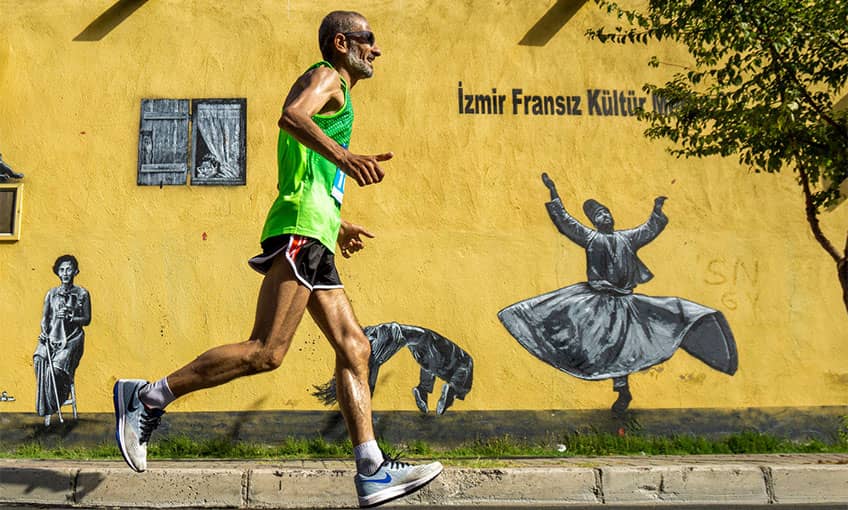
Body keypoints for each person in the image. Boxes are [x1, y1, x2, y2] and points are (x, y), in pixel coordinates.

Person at [112, 11, 442, 508]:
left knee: (355, 347)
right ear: (342, 42)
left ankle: (372, 470)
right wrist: (346, 159)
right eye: (369, 39)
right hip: (302, 232)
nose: (376, 49)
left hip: (317, 230)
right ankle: (147, 398)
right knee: (266, 352)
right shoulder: (327, 77)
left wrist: (338, 223)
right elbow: (291, 116)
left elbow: (306, 172)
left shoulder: (339, 96)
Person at [498, 173, 737, 414]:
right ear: (594, 222)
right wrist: (553, 193)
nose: (604, 216)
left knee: (639, 335)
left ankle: (623, 388)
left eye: (606, 213)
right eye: (599, 215)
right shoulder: (591, 238)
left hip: (625, 301)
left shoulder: (626, 238)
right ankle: (585, 365)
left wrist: (656, 210)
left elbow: (647, 230)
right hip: (599, 301)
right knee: (591, 335)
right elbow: (566, 222)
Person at [313, 322, 474, 415]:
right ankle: (447, 390)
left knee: (428, 365)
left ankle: (423, 389)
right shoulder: (464, 364)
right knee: (456, 369)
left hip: (415, 342)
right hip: (408, 338)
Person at [34, 255, 91, 426]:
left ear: (75, 271)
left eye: (68, 269)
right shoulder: (51, 294)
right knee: (39, 359)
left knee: (56, 369)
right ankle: (47, 405)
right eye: (62, 270)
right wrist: (44, 333)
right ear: (58, 273)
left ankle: (57, 400)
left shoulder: (82, 293)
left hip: (73, 339)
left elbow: (87, 319)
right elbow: (45, 319)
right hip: (51, 337)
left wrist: (71, 317)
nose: (65, 273)